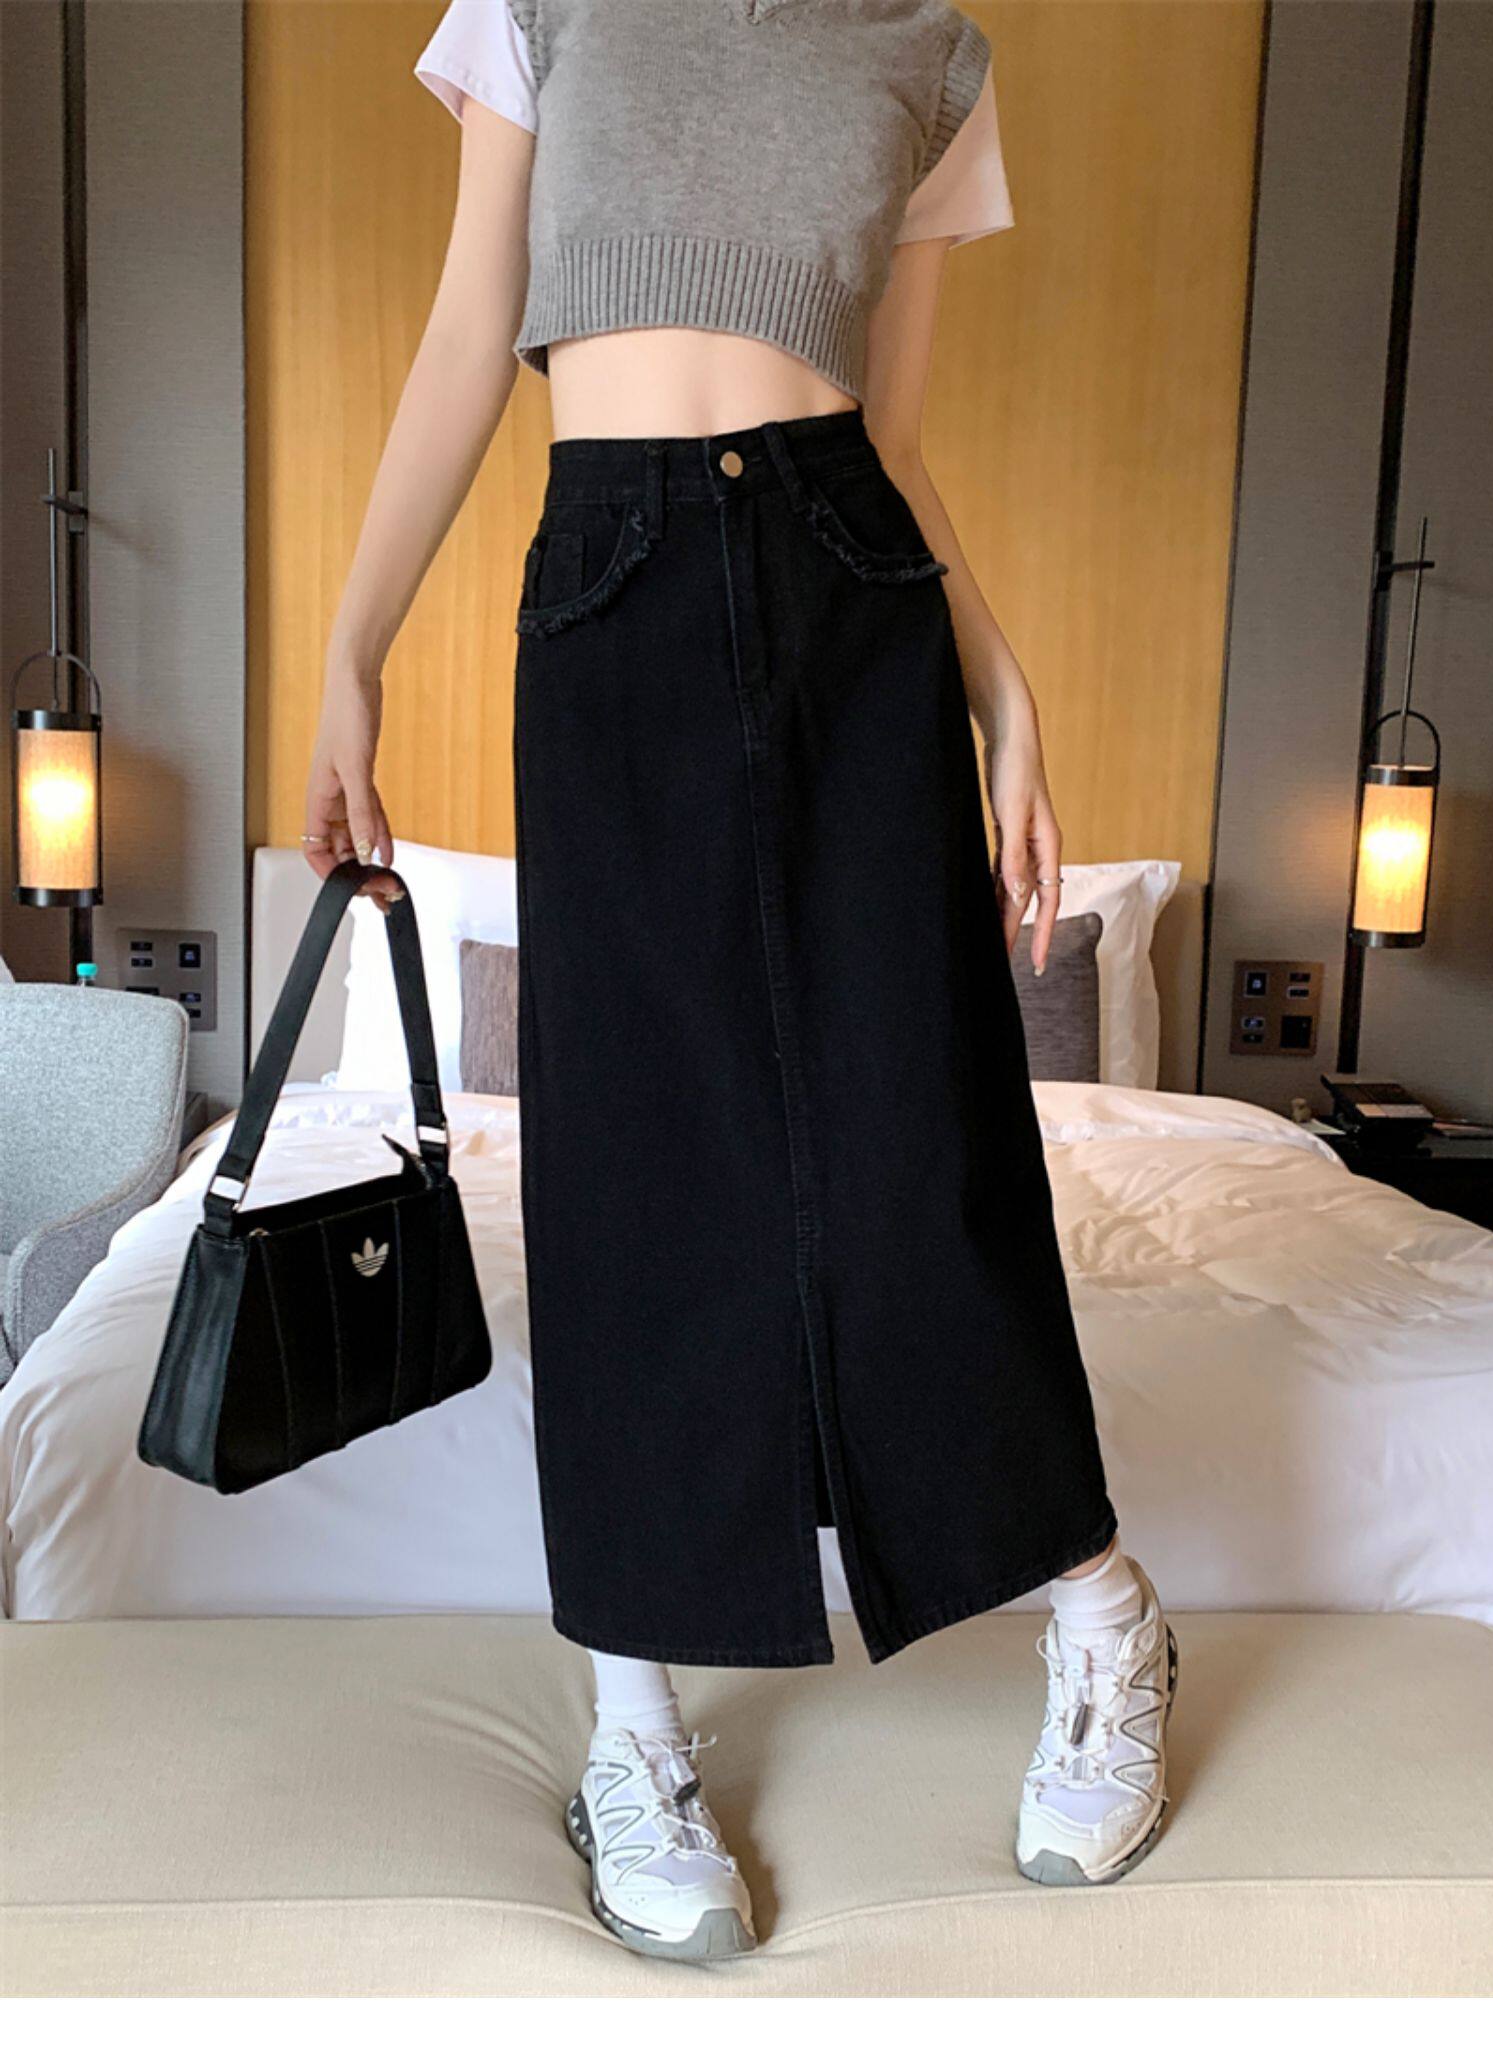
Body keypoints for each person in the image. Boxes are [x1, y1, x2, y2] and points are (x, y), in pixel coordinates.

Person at [302, 0, 1177, 1963]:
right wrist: (354, 651)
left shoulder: (931, 59)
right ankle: (634, 1725)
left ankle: (1105, 1608)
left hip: (849, 583)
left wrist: (1010, 698)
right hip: (607, 587)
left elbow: (896, 446)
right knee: (640, 1172)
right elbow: (472, 329)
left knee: (918, 1145)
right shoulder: (540, 5)